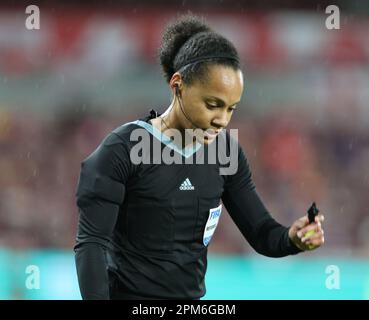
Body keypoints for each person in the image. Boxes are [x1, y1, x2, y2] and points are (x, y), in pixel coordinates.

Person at [74, 14, 325, 300]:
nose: (222, 120)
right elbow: (91, 243)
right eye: (213, 104)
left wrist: (292, 238)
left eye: (231, 108)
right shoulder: (122, 150)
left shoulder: (225, 152)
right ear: (178, 85)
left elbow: (262, 234)